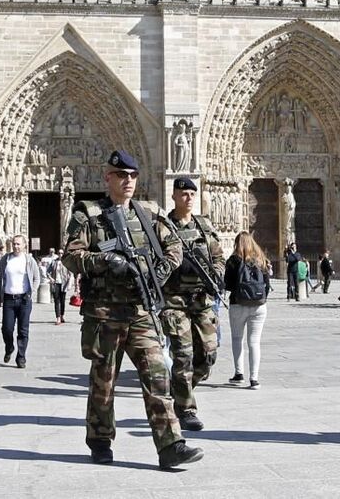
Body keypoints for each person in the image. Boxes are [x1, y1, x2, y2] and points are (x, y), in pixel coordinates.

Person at [62, 150, 203, 469]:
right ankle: (99, 440)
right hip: (103, 313)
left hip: (141, 310)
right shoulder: (89, 214)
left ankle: (170, 445)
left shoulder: (149, 213)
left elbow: (174, 246)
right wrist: (105, 261)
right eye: (121, 175)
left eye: (133, 176)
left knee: (157, 376)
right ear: (108, 178)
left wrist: (162, 271)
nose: (128, 181)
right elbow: (71, 256)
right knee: (104, 382)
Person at [163, 177, 226, 432]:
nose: (189, 198)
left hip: (202, 300)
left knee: (208, 356)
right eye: (184, 193)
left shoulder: (204, 226)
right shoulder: (163, 227)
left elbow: (219, 256)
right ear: (174, 196)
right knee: (183, 356)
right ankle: (187, 408)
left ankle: (180, 389)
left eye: (192, 194)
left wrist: (217, 275)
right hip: (175, 301)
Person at [224, 231, 271, 390]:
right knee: (254, 342)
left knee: (237, 339)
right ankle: (254, 379)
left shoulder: (232, 260)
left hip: (238, 304)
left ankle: (238, 374)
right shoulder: (260, 259)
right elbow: (267, 284)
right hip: (258, 306)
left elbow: (228, 285)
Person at [0, 234, 40, 368]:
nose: (16, 246)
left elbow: (37, 278)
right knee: (7, 329)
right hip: (9, 298)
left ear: (24, 245)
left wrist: (32, 292)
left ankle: (21, 357)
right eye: (14, 244)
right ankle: (9, 347)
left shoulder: (29, 260)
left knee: (23, 330)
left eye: (19, 244)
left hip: (24, 299)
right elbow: (0, 279)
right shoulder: (5, 259)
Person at [50, 250, 74, 325]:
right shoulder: (54, 262)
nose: (60, 254)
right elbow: (48, 271)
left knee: (62, 301)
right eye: (59, 253)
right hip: (56, 283)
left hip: (64, 283)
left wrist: (70, 283)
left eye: (62, 253)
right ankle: (58, 318)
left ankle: (62, 315)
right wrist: (51, 278)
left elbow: (71, 273)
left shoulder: (66, 262)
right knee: (56, 301)